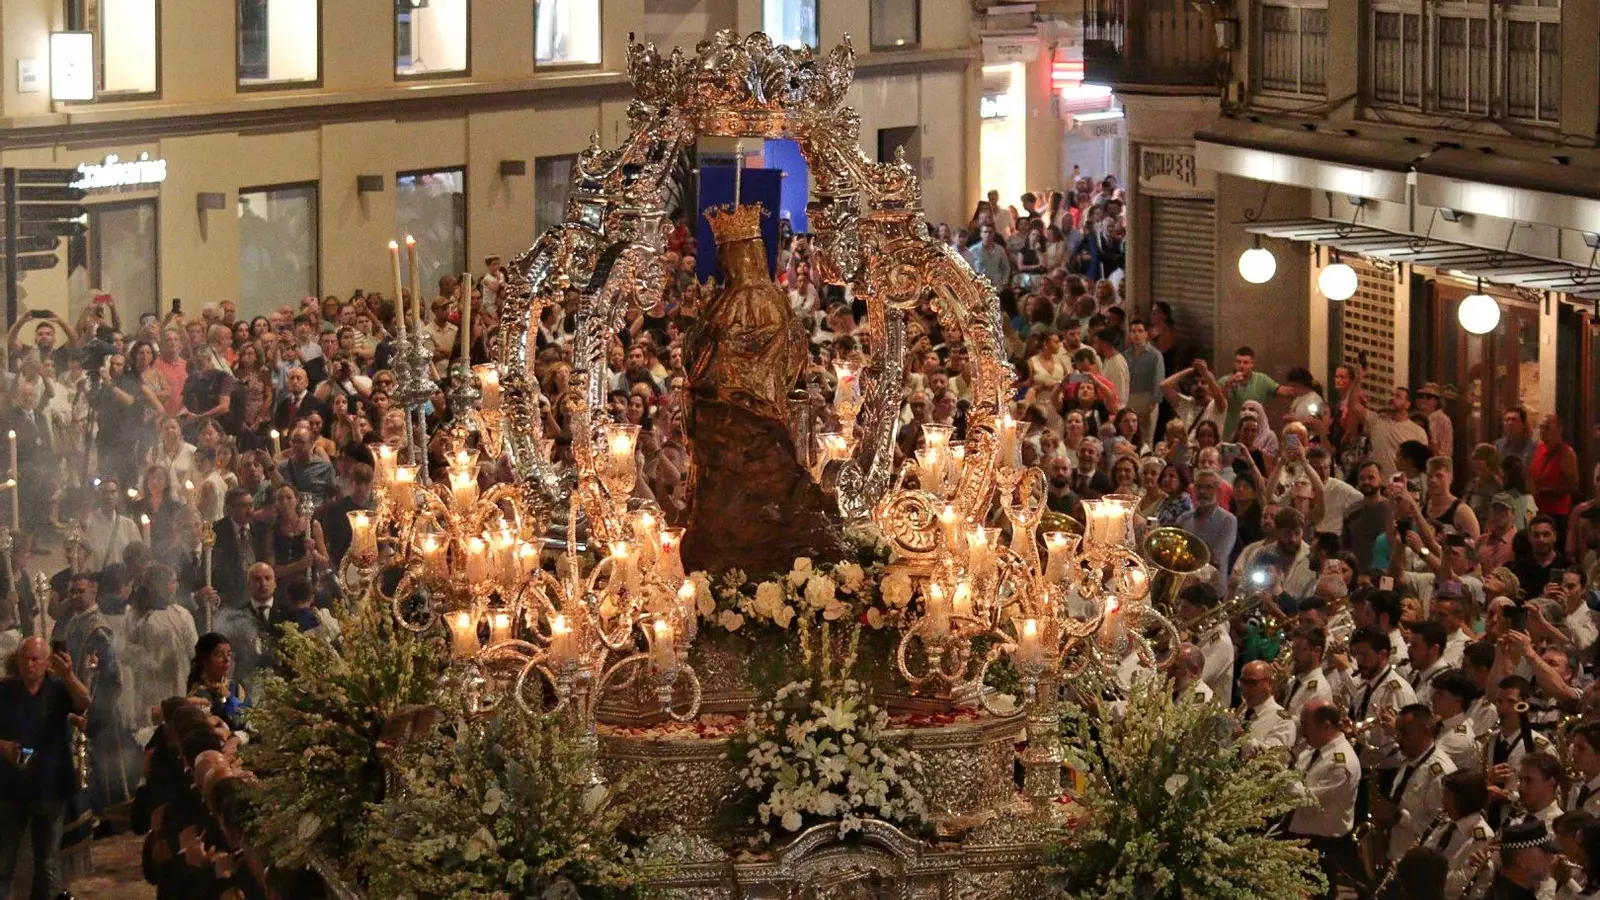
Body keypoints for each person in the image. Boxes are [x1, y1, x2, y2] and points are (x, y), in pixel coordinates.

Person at [0, 637, 91, 900]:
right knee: (4, 861)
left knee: (47, 864)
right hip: (11, 788)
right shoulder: (5, 691)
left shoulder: (58, 689)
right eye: (24, 659)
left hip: (51, 787)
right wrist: (3, 746)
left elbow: (85, 702)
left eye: (35, 659)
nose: (29, 665)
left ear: (46, 662)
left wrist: (69, 675)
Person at [1289, 699, 1363, 900]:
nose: (1303, 731)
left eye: (1307, 725)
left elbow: (1310, 804)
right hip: (1302, 836)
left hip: (1322, 843)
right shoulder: (1314, 748)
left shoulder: (1342, 763)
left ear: (1326, 725)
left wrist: (1280, 777)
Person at [1372, 703, 1456, 863]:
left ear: (1426, 731)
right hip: (1394, 854)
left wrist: (1397, 816)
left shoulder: (1440, 773)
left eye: (1405, 732)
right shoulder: (1408, 760)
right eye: (1398, 731)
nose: (1398, 738)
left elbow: (1440, 829)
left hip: (1416, 862)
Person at [123, 563, 200, 736]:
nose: (176, 586)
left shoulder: (182, 614)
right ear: (160, 585)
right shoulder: (135, 615)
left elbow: (194, 652)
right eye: (172, 582)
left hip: (179, 679)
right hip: (151, 688)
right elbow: (129, 648)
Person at [186, 633, 249, 735]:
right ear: (204, 661)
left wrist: (229, 696)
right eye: (219, 655)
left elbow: (251, 721)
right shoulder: (198, 694)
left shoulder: (235, 687)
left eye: (229, 654)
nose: (226, 660)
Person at [1238, 659, 1296, 753]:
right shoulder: (1243, 709)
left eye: (1252, 683)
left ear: (1270, 684)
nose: (1246, 689)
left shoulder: (1283, 720)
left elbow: (1271, 757)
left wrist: (1241, 737)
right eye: (1243, 682)